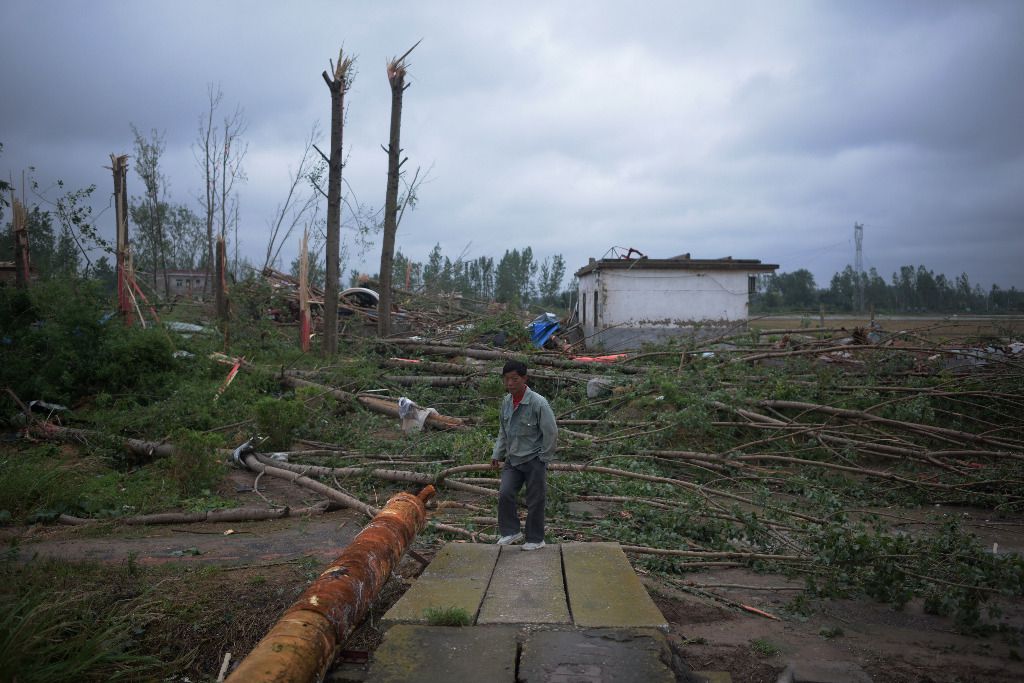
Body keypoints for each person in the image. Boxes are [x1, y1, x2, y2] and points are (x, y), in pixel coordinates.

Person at [491, 360, 558, 550]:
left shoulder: (538, 403)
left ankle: (536, 539)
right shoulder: (506, 402)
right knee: (505, 493)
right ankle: (511, 531)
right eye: (506, 379)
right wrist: (497, 453)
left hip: (534, 459)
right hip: (513, 459)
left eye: (514, 379)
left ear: (524, 379)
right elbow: (503, 431)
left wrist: (543, 458)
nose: (510, 383)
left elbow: (551, 433)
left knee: (535, 499)